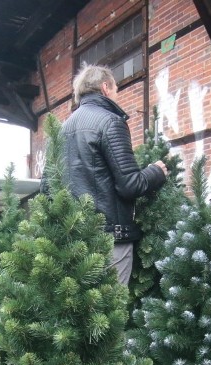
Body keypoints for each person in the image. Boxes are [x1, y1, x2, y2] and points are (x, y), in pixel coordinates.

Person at [62, 64, 168, 285]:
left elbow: (48, 187)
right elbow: (130, 185)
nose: (116, 95)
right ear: (105, 88)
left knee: (82, 313)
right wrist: (156, 172)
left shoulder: (63, 128)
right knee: (112, 312)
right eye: (116, 89)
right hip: (111, 238)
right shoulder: (110, 122)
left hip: (73, 240)